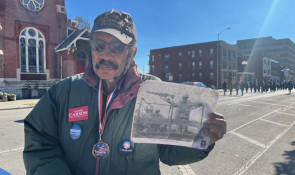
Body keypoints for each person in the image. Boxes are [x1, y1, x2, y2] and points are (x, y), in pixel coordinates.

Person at [23, 10, 226, 175]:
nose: (105, 54)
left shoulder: (154, 91)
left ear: (133, 52)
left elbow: (169, 152)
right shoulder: (63, 92)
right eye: (99, 45)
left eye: (118, 47)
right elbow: (39, 144)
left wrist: (203, 140)